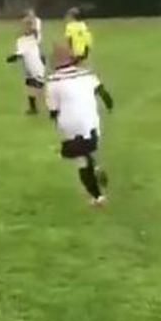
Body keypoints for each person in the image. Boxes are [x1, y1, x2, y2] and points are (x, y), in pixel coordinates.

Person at [45, 42, 115, 206]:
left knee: (80, 159)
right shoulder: (87, 75)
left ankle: (97, 197)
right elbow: (105, 95)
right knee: (87, 147)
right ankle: (95, 167)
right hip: (92, 122)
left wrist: (57, 124)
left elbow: (54, 111)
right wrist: (109, 106)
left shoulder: (53, 82)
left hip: (71, 125)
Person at [6, 19, 47, 115]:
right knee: (30, 85)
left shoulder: (33, 38)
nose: (24, 28)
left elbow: (20, 53)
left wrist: (13, 57)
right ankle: (33, 108)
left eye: (27, 26)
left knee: (38, 86)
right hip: (27, 66)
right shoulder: (21, 40)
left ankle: (49, 107)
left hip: (35, 66)